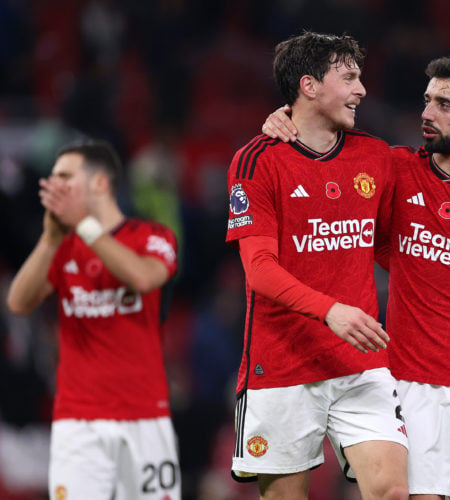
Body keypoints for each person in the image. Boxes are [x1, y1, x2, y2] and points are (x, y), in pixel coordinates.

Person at [263, 56, 450, 500]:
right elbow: (369, 235)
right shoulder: (394, 167)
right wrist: (282, 118)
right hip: (411, 382)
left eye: (444, 105)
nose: (427, 113)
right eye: (427, 101)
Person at [224, 32, 408, 500]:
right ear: (308, 85)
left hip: (360, 361)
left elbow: (387, 247)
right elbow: (259, 269)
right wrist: (331, 311)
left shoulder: (375, 155)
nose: (361, 89)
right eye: (348, 77)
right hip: (283, 364)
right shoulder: (256, 161)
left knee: (392, 490)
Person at [6, 140, 181, 500]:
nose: (54, 186)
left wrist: (84, 225)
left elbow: (144, 278)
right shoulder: (64, 246)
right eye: (52, 178)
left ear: (100, 183)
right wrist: (50, 239)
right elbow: (18, 302)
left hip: (145, 416)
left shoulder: (152, 237)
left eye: (65, 177)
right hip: (78, 421)